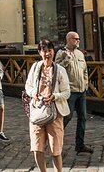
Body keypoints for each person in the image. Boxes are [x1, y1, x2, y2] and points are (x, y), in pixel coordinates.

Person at [25, 39, 70, 172]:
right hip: (37, 112)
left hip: (55, 112)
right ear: (40, 52)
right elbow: (28, 86)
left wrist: (55, 96)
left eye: (50, 50)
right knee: (37, 148)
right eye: (45, 51)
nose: (47, 54)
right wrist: (34, 94)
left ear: (53, 51)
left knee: (55, 150)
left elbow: (67, 92)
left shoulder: (60, 70)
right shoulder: (35, 68)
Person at [55, 31, 92, 154]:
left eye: (79, 39)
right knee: (67, 117)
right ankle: (56, 140)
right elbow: (56, 69)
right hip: (70, 91)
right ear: (69, 40)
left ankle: (80, 144)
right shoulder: (61, 53)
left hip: (81, 91)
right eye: (76, 39)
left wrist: (86, 83)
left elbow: (85, 70)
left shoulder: (80, 54)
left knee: (83, 118)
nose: (78, 41)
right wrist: (66, 60)